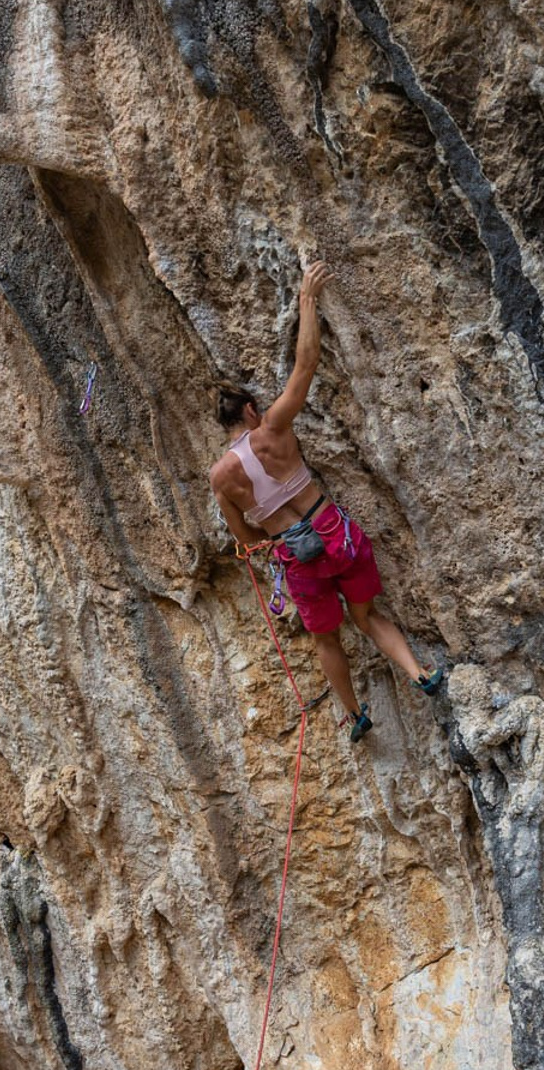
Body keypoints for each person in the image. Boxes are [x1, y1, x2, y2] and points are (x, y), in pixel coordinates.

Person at [209, 261, 442, 742]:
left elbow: (242, 537)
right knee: (368, 616)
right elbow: (306, 363)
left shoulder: (220, 478)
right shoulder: (272, 427)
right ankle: (420, 673)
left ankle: (356, 714)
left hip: (297, 557)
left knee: (326, 638)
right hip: (334, 530)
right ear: (251, 410)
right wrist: (306, 299)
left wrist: (274, 536)